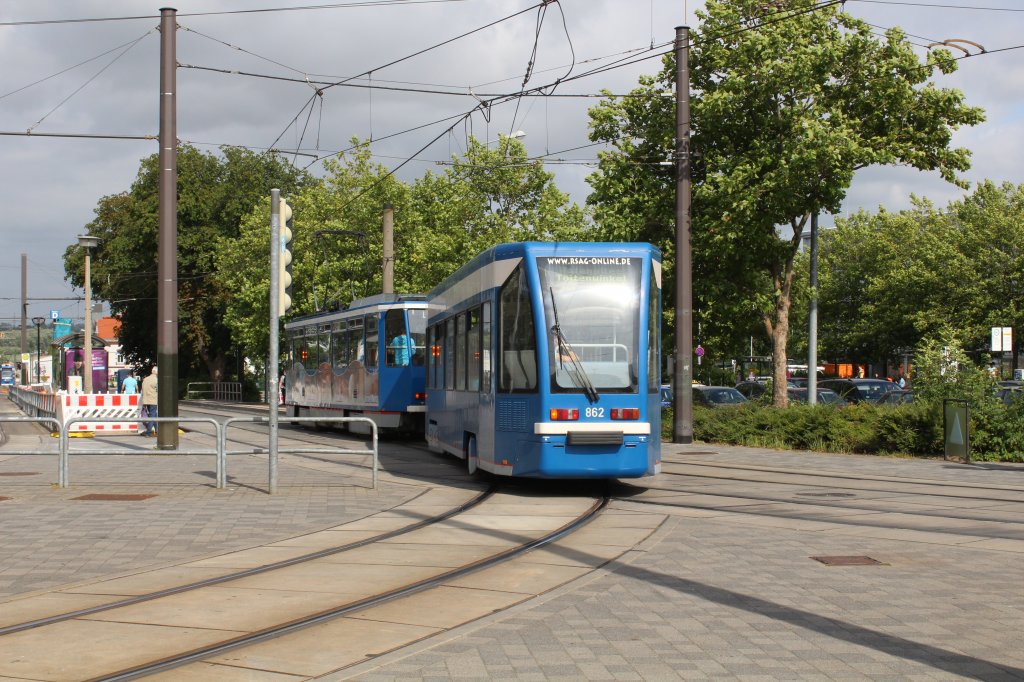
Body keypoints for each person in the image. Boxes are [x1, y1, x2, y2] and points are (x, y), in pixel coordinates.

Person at [141, 366, 158, 437]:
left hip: (146, 400)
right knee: (152, 416)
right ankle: (148, 432)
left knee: (154, 415)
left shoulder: (145, 379)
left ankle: (157, 430)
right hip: (153, 400)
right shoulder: (156, 380)